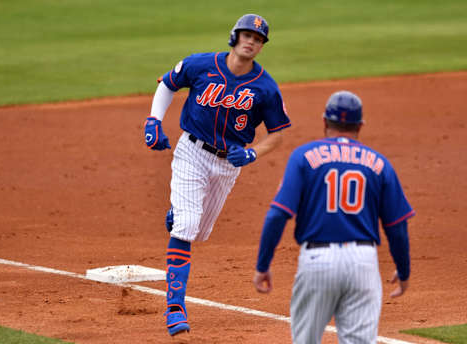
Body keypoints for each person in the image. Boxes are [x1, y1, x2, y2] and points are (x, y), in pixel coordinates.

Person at [144, 14, 291, 336]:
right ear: (234, 37)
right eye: (246, 35)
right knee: (186, 226)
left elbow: (278, 133)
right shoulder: (201, 65)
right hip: (191, 153)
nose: (251, 41)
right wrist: (154, 121)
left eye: (258, 38)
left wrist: (252, 153)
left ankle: (180, 210)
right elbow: (167, 84)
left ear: (262, 46)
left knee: (199, 231)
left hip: (228, 165)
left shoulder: (265, 87)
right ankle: (175, 308)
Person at [253, 90, 415, 344]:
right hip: (363, 262)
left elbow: (277, 215)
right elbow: (397, 227)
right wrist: (403, 272)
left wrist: (263, 265)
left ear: (325, 122)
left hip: (317, 261)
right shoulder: (379, 163)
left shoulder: (304, 157)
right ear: (359, 126)